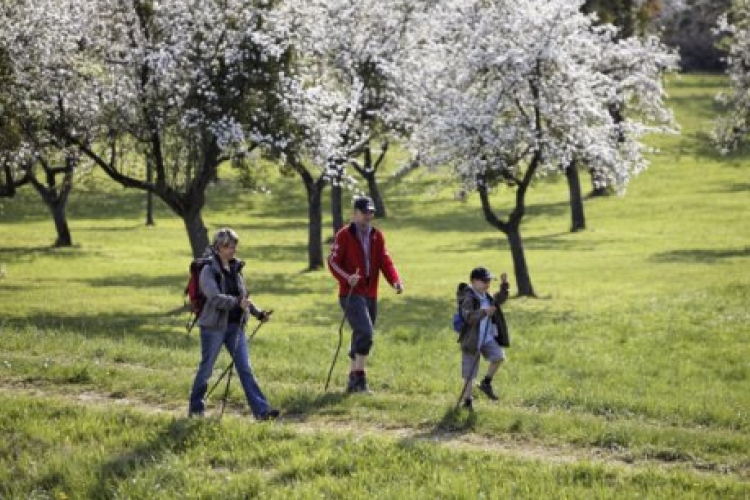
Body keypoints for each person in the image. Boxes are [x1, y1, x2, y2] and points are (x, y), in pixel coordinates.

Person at [188, 228, 278, 420]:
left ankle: (262, 412)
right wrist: (237, 302)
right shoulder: (208, 270)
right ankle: (196, 411)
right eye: (228, 246)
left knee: (245, 369)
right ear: (218, 248)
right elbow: (214, 298)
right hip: (213, 328)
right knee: (206, 370)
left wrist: (258, 313)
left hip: (235, 327)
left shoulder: (235, 269)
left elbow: (244, 297)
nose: (232, 250)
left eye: (234, 246)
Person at [328, 196, 404, 393]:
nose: (368, 216)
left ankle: (352, 380)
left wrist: (394, 280)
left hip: (371, 293)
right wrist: (347, 278)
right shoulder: (344, 235)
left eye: (371, 212)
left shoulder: (377, 236)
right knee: (366, 333)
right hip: (351, 293)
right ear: (355, 213)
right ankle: (360, 379)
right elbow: (332, 261)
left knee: (361, 334)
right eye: (364, 212)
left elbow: (385, 260)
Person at [458, 266, 510, 410]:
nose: (487, 284)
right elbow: (467, 317)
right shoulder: (468, 297)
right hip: (472, 340)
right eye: (484, 281)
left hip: (486, 338)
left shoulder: (487, 296)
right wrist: (484, 312)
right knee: (469, 375)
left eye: (489, 281)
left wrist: (504, 286)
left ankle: (486, 383)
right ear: (474, 281)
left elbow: (500, 298)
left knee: (498, 356)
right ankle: (467, 402)